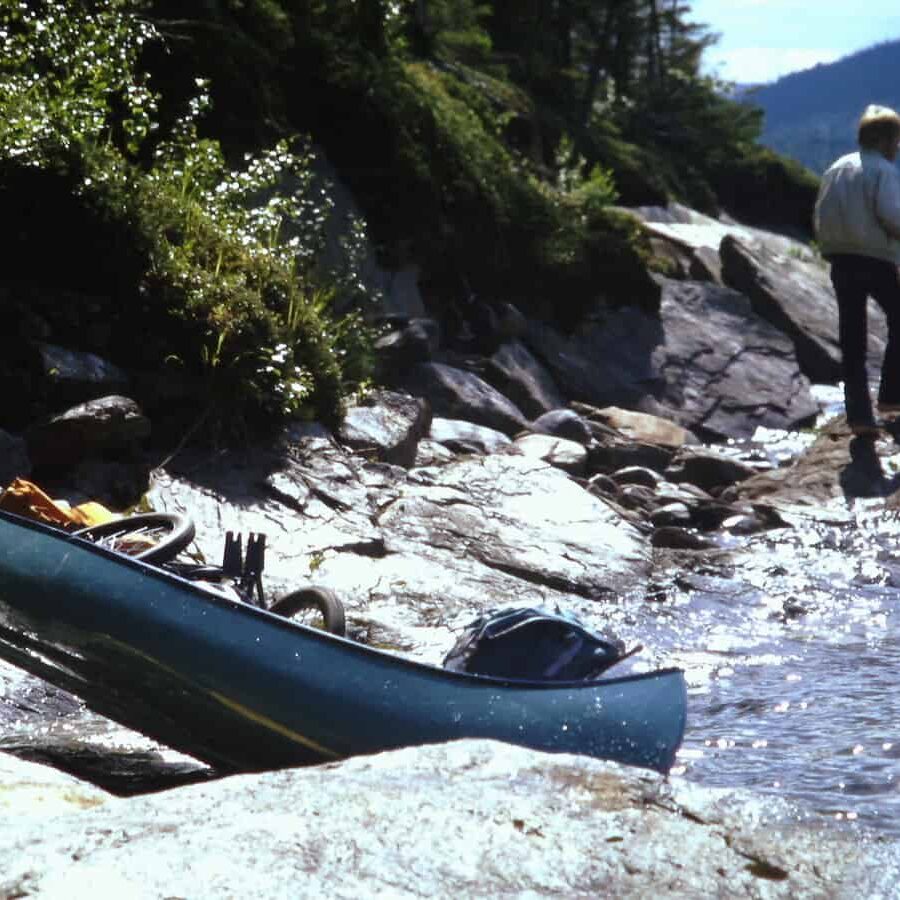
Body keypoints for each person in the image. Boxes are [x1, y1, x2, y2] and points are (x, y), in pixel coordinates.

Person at [814, 104, 900, 437]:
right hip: (875, 259)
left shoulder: (836, 168)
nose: (898, 146)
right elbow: (892, 217)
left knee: (853, 339)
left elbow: (821, 213)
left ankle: (860, 418)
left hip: (840, 260)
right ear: (883, 139)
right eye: (896, 139)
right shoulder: (883, 170)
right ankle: (892, 397)